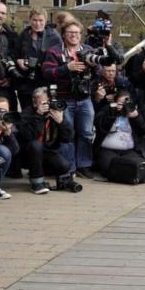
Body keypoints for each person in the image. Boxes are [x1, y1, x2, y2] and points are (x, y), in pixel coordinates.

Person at [42, 20, 99, 180]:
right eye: (70, 32)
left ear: (81, 35)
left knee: (86, 133)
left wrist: (93, 66)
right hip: (64, 98)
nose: (74, 35)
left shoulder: (88, 50)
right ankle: (69, 167)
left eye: (77, 32)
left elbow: (99, 72)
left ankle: (84, 165)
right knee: (67, 134)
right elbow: (46, 72)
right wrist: (67, 68)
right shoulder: (54, 51)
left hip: (84, 98)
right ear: (63, 35)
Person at [17, 87, 74, 194]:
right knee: (36, 145)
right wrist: (38, 115)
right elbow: (29, 136)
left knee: (64, 166)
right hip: (27, 154)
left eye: (48, 102)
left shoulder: (55, 112)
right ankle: (37, 183)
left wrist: (61, 122)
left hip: (47, 152)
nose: (47, 106)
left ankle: (43, 172)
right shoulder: (27, 113)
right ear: (34, 103)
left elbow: (68, 138)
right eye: (43, 103)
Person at [94, 90, 145, 178]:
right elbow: (100, 128)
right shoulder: (107, 109)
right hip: (108, 150)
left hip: (129, 151)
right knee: (109, 168)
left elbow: (144, 131)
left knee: (139, 167)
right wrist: (112, 114)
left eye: (125, 104)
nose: (123, 106)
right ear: (115, 102)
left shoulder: (132, 112)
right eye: (120, 103)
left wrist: (136, 117)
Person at [13, 7, 62, 110]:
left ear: (45, 21)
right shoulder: (23, 35)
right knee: (27, 112)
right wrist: (18, 61)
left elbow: (60, 58)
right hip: (26, 82)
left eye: (40, 20)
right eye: (34, 20)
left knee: (44, 112)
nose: (37, 23)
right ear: (30, 20)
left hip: (45, 81)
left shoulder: (54, 37)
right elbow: (14, 54)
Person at [0, 97, 19, 200]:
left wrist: (8, 133)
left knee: (4, 152)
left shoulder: (7, 123)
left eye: (5, 111)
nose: (2, 113)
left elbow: (14, 150)